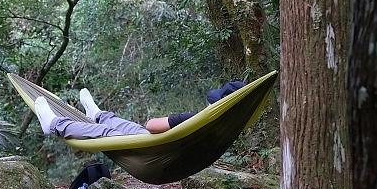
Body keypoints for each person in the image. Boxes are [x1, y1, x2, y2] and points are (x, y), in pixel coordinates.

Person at [34, 81, 246, 139]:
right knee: (130, 128)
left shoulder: (197, 119)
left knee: (108, 134)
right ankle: (98, 115)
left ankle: (54, 124)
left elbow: (152, 125)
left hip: (158, 152)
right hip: (168, 151)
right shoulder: (228, 129)